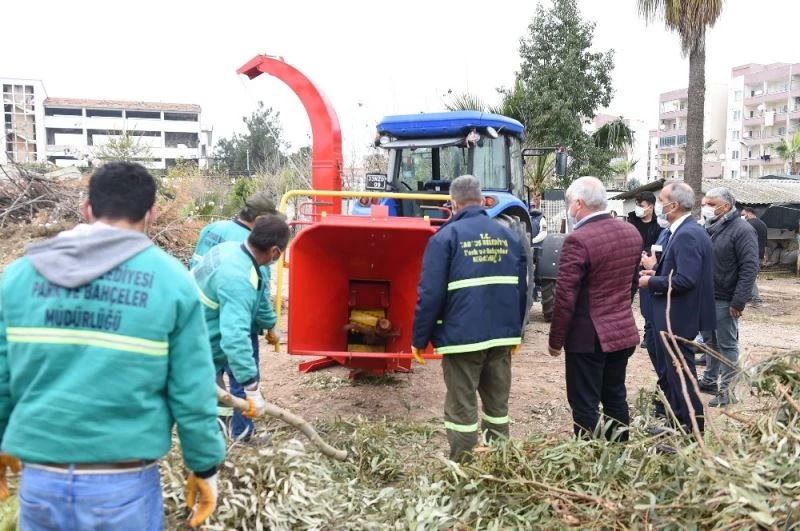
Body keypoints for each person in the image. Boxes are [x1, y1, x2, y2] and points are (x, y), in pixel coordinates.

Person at [0, 162, 224, 530]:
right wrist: (204, 465)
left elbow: (2, 375)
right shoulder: (172, 282)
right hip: (122, 487)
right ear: (151, 214)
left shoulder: (19, 276)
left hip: (40, 482)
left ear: (87, 209)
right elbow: (192, 389)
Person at [411, 175, 527, 462]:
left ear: (453, 203)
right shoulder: (509, 236)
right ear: (481, 199)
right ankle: (499, 464)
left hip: (462, 340)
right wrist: (517, 333)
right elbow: (521, 289)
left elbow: (430, 294)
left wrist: (419, 339)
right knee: (497, 408)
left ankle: (464, 469)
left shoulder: (445, 238)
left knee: (462, 409)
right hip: (502, 338)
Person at [547, 177, 643, 442]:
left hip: (588, 339)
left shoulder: (578, 240)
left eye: (569, 202)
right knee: (615, 396)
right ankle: (618, 453)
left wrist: (556, 340)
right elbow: (632, 284)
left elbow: (565, 296)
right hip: (621, 332)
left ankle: (589, 456)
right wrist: (617, 311)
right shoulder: (630, 232)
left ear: (579, 203)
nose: (569, 208)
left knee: (584, 403)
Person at [191, 191, 279, 442]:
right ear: (259, 220)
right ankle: (242, 434)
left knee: (211, 377)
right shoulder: (252, 245)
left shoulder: (212, 229)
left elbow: (195, 264)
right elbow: (260, 294)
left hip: (204, 318)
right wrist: (269, 325)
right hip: (237, 319)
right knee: (242, 375)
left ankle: (216, 429)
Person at [640, 182, 715, 436]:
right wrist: (657, 273)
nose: (658, 206)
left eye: (661, 201)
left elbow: (686, 280)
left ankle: (692, 432)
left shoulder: (687, 234)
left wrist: (651, 282)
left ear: (673, 205)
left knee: (682, 377)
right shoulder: (684, 231)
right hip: (675, 316)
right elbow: (678, 272)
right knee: (675, 376)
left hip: (678, 318)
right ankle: (677, 426)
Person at [698, 188, 759, 407]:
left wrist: (739, 300)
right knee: (710, 342)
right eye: (704, 204)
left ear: (725, 206)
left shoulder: (742, 230)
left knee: (727, 345)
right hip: (707, 296)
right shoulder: (709, 227)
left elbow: (750, 267)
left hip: (726, 298)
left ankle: (728, 391)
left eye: (710, 204)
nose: (705, 208)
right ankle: (709, 380)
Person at [627, 191, 665, 351]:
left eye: (641, 205)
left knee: (648, 303)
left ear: (651, 207)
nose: (638, 208)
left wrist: (647, 254)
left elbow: (660, 246)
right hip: (630, 265)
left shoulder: (659, 225)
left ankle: (648, 335)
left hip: (649, 267)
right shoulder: (631, 221)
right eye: (637, 204)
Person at [741, 206, 768, 307]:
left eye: (743, 214)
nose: (742, 216)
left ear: (749, 213)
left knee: (749, 275)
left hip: (750, 253)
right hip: (759, 253)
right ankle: (749, 296)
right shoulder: (763, 224)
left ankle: (756, 299)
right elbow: (765, 241)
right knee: (749, 275)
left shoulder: (748, 224)